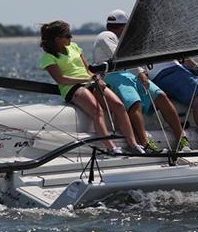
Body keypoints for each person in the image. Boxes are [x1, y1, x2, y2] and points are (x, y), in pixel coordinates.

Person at [39, 20, 144, 155]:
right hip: (72, 87)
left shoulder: (74, 47)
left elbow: (87, 69)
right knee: (97, 111)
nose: (71, 37)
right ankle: (111, 148)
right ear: (57, 39)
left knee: (118, 105)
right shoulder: (48, 57)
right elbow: (61, 79)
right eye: (68, 35)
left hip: (90, 81)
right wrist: (87, 79)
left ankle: (133, 144)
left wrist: (96, 78)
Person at [93, 10, 190, 152]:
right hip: (114, 75)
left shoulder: (122, 41)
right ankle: (145, 143)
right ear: (124, 27)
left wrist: (142, 71)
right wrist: (140, 72)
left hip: (130, 74)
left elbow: (133, 59)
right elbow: (120, 57)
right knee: (134, 102)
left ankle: (182, 138)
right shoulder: (106, 36)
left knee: (161, 96)